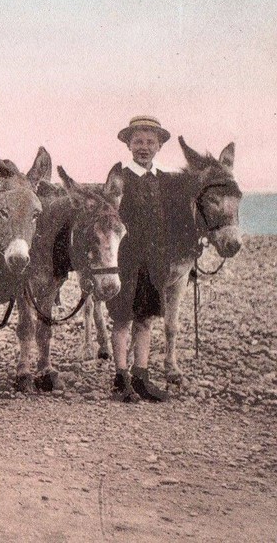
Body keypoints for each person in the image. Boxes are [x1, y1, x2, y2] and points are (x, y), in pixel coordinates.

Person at [105, 115, 173, 402]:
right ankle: (121, 378)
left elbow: (170, 221)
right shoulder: (119, 175)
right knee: (122, 319)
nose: (143, 147)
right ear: (128, 144)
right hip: (125, 260)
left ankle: (141, 376)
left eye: (150, 142)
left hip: (154, 261)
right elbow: (107, 217)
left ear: (158, 146)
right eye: (138, 141)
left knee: (146, 320)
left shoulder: (163, 180)